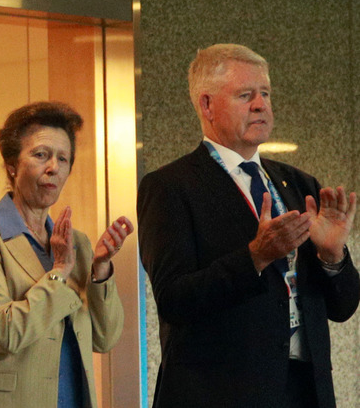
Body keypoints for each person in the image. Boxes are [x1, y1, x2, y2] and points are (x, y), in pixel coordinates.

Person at [137, 43, 359, 408]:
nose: (261, 104)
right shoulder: (171, 187)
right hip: (219, 393)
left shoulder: (299, 184)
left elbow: (342, 307)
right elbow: (175, 300)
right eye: (246, 95)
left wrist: (333, 256)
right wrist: (254, 257)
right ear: (206, 105)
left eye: (265, 94)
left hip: (305, 392)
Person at [0, 101, 131, 407]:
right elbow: (6, 332)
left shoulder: (75, 243)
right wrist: (59, 271)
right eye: (41, 155)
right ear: (12, 164)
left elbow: (105, 338)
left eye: (63, 158)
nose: (54, 167)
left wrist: (100, 269)